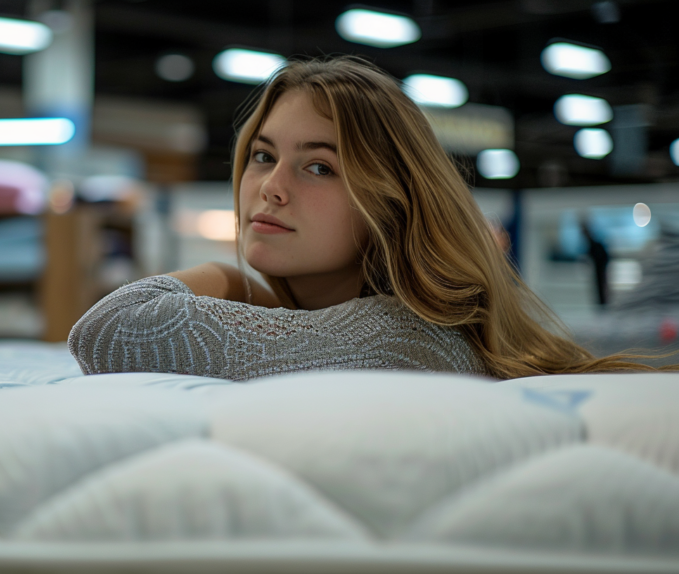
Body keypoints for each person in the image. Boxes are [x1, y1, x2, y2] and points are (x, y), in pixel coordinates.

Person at [69, 56, 662, 380]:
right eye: (264, 156)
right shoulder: (343, 320)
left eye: (320, 168)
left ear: (393, 202)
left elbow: (113, 329)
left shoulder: (407, 338)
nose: (271, 188)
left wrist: (234, 279)